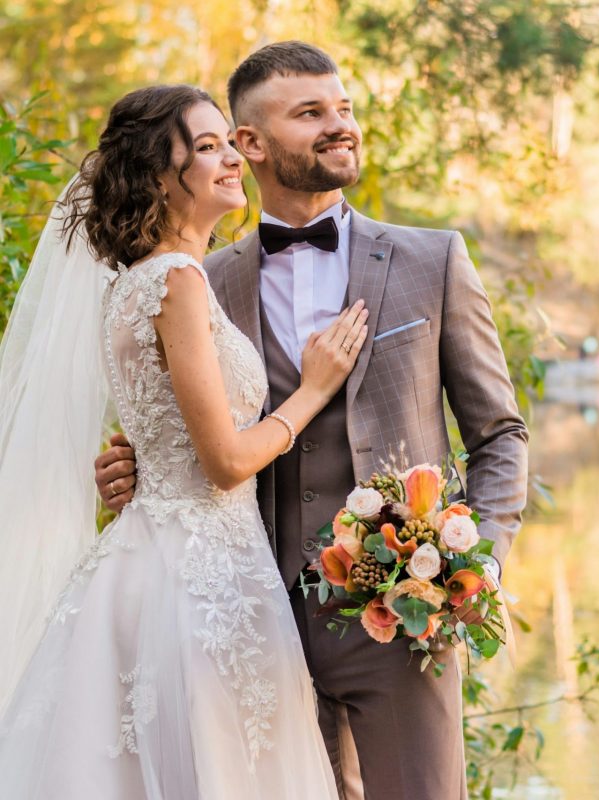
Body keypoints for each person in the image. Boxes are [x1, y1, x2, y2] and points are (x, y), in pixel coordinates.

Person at [98, 41, 530, 800]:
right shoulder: (200, 275)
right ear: (250, 144)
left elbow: (499, 435)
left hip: (399, 620)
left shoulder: (434, 261)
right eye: (311, 114)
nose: (340, 126)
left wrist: (475, 565)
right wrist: (132, 465)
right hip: (246, 618)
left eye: (344, 109)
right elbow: (189, 425)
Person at [0, 84, 372, 798]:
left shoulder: (135, 283)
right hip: (200, 578)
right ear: (158, 177)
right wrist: (314, 390)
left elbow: (160, 429)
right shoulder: (177, 283)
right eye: (207, 148)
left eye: (228, 143)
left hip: (159, 558)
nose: (232, 159)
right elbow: (225, 463)